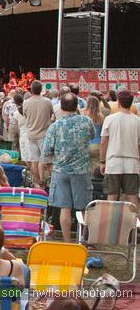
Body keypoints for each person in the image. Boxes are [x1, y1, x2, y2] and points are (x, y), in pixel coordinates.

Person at [42, 93, 95, 242]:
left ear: (61, 106)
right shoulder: (86, 122)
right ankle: (84, 240)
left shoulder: (55, 126)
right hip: (81, 170)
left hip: (60, 170)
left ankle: (67, 242)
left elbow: (46, 151)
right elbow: (92, 136)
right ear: (77, 105)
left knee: (65, 208)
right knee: (84, 207)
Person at [100, 90, 140, 208]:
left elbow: (104, 142)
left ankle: (110, 224)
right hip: (132, 163)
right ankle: (136, 224)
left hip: (113, 162)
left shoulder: (110, 119)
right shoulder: (138, 121)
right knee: (132, 196)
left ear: (118, 103)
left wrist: (102, 161)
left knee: (111, 196)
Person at [23, 80, 54, 187]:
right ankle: (54, 185)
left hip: (31, 135)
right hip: (44, 135)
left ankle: (36, 185)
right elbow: (50, 115)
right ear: (41, 89)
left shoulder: (26, 103)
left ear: (31, 89)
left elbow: (25, 116)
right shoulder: (48, 102)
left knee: (34, 161)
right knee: (49, 161)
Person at [83, 95, 104, 173]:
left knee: (86, 169)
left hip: (86, 144)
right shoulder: (101, 116)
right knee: (97, 169)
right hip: (98, 144)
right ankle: (97, 184)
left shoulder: (83, 114)